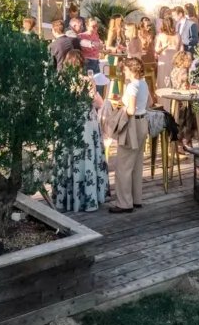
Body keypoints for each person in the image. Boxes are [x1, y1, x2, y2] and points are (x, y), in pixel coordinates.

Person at [53, 50, 109, 213]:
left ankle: (66, 198)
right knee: (86, 158)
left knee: (69, 157)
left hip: (68, 122)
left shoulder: (60, 80)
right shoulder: (87, 80)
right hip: (85, 122)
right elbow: (97, 103)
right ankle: (88, 198)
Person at [108, 57, 149, 214]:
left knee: (123, 165)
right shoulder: (144, 83)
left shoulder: (132, 86)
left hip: (132, 125)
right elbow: (150, 101)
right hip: (143, 121)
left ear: (132, 70)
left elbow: (130, 110)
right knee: (137, 164)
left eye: (125, 69)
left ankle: (124, 203)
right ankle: (136, 198)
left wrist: (121, 107)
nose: (123, 71)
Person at [169, 50, 199, 151]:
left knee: (178, 122)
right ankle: (185, 144)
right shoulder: (183, 71)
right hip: (184, 100)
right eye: (189, 60)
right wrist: (196, 86)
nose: (191, 61)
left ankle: (179, 145)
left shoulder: (174, 70)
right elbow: (186, 86)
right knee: (186, 123)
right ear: (183, 60)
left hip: (176, 99)